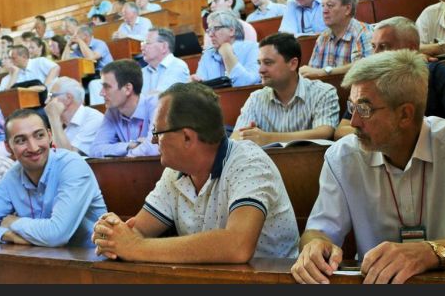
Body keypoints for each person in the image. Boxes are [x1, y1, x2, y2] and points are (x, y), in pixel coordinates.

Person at [291, 50, 445, 284]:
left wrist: (428, 252)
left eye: (364, 109)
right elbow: (318, 230)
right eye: (352, 107)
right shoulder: (341, 155)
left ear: (405, 114)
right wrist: (315, 245)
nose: (353, 122)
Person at [92, 82, 299, 262]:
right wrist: (112, 235)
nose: (153, 141)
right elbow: (137, 231)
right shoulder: (175, 172)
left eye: (157, 132)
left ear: (187, 137)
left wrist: (134, 247)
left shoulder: (250, 163)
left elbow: (238, 246)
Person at [0, 109, 107, 246]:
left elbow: (56, 235)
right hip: (44, 258)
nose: (33, 147)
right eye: (21, 140)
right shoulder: (12, 175)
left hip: (94, 259)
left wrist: (13, 222)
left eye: (39, 135)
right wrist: (7, 235)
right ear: (8, 147)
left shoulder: (72, 165)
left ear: (50, 136)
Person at [334, 16, 445, 139]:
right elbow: (341, 130)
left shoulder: (435, 72)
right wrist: (382, 133)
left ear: (411, 49)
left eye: (384, 47)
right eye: (374, 46)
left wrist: (415, 131)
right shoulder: (368, 81)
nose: (375, 54)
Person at [231, 33, 339, 146]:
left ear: (293, 64)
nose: (261, 70)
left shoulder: (323, 92)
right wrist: (247, 135)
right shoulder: (255, 98)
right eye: (259, 63)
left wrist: (268, 138)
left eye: (268, 63)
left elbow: (324, 132)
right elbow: (236, 137)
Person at [299, 0, 373, 79]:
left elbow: (365, 67)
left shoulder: (363, 33)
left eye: (330, 5)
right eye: (323, 6)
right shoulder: (323, 37)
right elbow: (312, 72)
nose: (324, 11)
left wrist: (324, 72)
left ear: (347, 9)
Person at [90, 60, 160, 158]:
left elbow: (155, 147)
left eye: (107, 87)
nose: (101, 93)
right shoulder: (112, 112)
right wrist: (129, 146)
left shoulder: (156, 105)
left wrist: (127, 155)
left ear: (127, 89)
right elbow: (95, 150)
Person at [193, 10, 261, 87]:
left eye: (216, 28)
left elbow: (245, 83)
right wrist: (195, 84)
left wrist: (227, 53)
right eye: (209, 30)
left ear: (231, 31)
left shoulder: (254, 48)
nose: (210, 34)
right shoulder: (208, 55)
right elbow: (202, 88)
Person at [44, 76, 104, 157]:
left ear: (68, 98)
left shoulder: (93, 119)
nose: (46, 101)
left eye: (51, 95)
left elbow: (68, 157)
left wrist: (54, 119)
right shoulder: (63, 123)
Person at [140, 28, 190, 95]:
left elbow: (162, 97)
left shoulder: (178, 66)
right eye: (142, 43)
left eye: (147, 43)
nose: (142, 48)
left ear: (164, 47)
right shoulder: (142, 72)